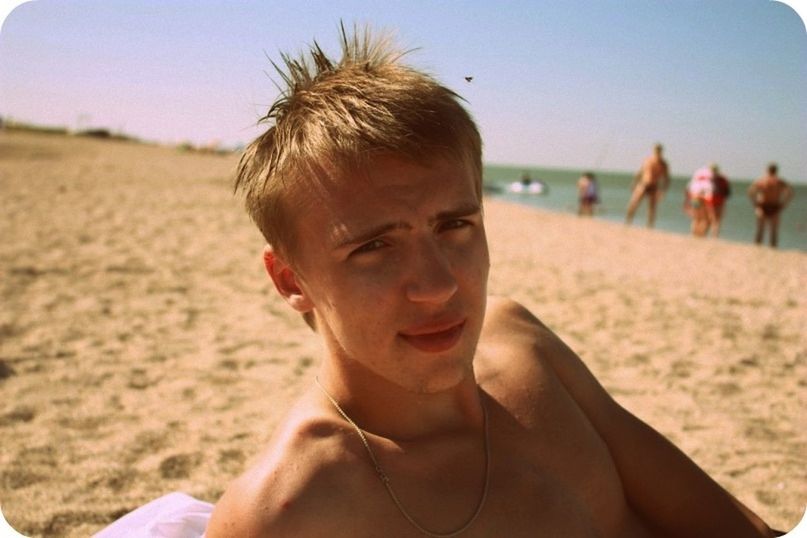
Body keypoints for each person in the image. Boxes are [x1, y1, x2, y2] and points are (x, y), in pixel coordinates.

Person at [207, 26, 776, 537]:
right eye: (373, 247)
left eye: (454, 225)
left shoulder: (520, 345)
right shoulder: (290, 511)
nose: (437, 286)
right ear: (289, 279)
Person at [747, 163, 794, 248]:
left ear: (767, 170)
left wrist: (755, 203)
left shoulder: (762, 180)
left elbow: (750, 192)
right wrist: (784, 204)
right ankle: (773, 251)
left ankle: (756, 248)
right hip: (775, 206)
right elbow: (790, 192)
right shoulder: (780, 181)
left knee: (760, 230)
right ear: (776, 171)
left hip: (762, 205)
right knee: (774, 231)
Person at [625, 143, 670, 228]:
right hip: (643, 183)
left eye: (659, 150)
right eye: (656, 150)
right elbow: (640, 171)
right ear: (653, 150)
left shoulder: (663, 164)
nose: (657, 152)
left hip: (654, 186)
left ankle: (649, 227)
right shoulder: (647, 160)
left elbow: (666, 179)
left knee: (652, 208)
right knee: (633, 203)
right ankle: (628, 222)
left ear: (661, 151)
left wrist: (663, 191)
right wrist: (634, 182)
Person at [685, 165, 714, 237]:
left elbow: (688, 191)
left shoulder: (695, 182)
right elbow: (708, 196)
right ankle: (701, 235)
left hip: (694, 199)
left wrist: (686, 204)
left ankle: (694, 234)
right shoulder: (708, 183)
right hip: (701, 200)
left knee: (696, 218)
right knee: (704, 219)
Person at [707, 163, 731, 237]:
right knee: (718, 219)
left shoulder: (709, 178)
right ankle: (715, 234)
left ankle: (714, 234)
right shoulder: (723, 179)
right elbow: (727, 191)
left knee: (713, 218)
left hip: (712, 199)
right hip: (720, 200)